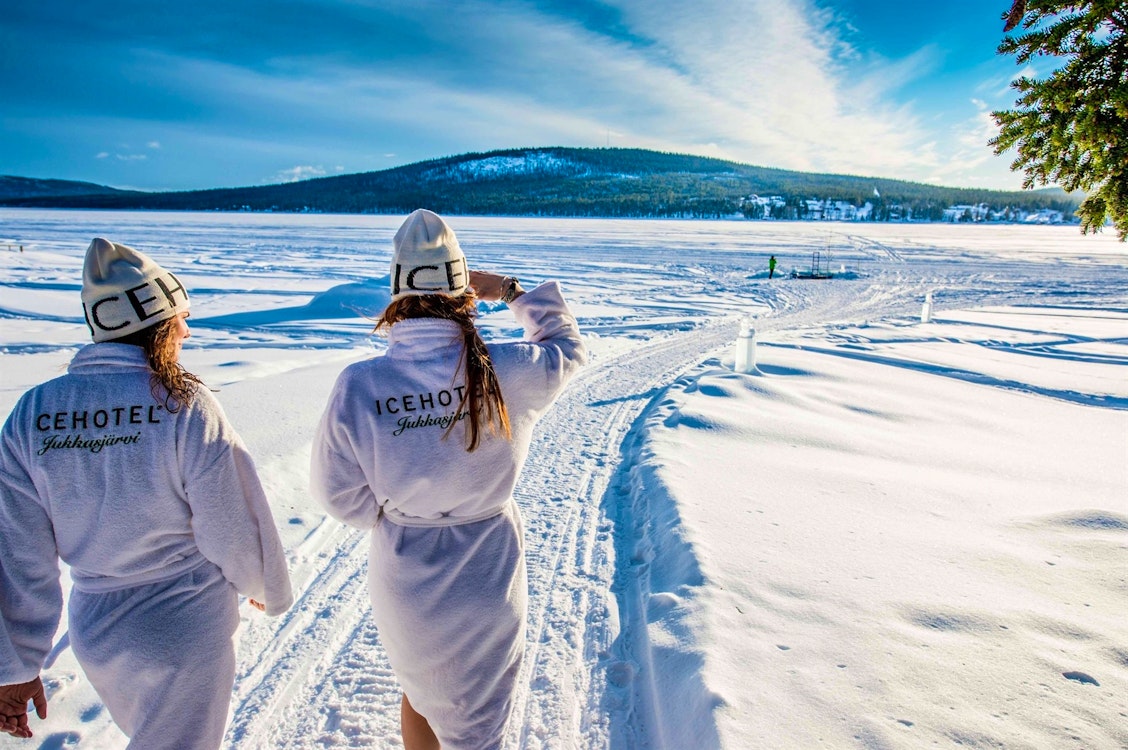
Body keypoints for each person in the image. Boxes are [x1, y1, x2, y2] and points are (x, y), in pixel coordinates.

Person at [0, 238, 293, 747]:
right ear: (158, 323)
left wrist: (15, 662)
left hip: (98, 633)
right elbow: (230, 518)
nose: (186, 330)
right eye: (180, 318)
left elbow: (15, 550)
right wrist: (264, 584)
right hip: (186, 625)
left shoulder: (33, 413)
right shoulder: (182, 403)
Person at [311, 209, 586, 749]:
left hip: (406, 572)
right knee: (481, 720)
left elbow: (337, 495)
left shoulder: (361, 384)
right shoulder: (508, 368)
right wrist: (508, 291)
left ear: (396, 293)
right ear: (464, 290)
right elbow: (568, 346)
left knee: (419, 690)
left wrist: (406, 515)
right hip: (488, 570)